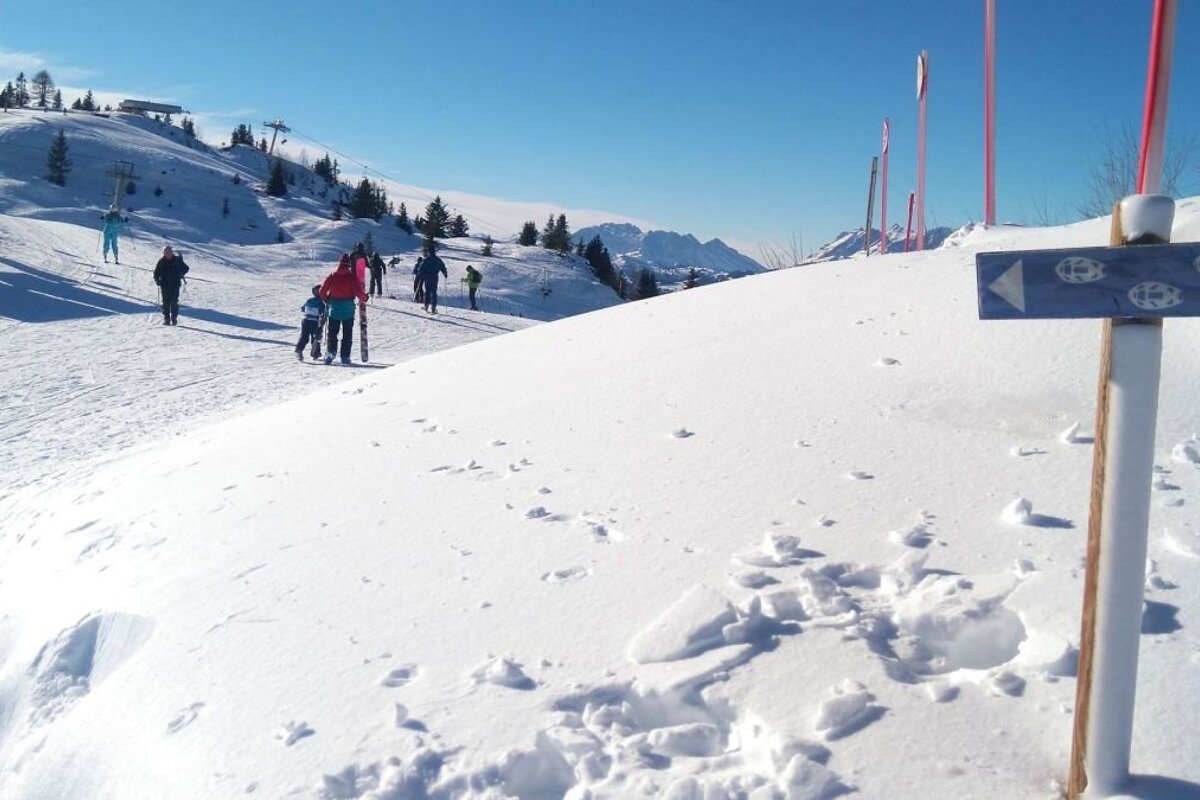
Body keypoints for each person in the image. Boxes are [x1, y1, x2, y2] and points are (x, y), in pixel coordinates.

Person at [318, 254, 367, 364]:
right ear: (349, 264)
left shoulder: (332, 276)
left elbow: (322, 292)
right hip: (348, 310)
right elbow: (359, 293)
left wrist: (327, 300)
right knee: (347, 334)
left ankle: (331, 353)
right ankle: (345, 356)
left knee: (332, 333)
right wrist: (365, 297)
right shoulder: (352, 277)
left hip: (334, 309)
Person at [153, 245, 189, 325]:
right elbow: (156, 273)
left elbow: (186, 268)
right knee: (165, 302)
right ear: (164, 253)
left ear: (172, 252)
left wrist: (181, 272)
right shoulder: (161, 262)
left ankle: (174, 319)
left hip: (175, 284)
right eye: (166, 252)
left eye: (169, 252)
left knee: (174, 302)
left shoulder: (177, 260)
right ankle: (166, 319)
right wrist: (157, 280)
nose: (168, 254)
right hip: (164, 285)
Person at [295, 285, 325, 361]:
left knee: (304, 337)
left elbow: (303, 308)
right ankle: (316, 353)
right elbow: (322, 312)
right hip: (314, 322)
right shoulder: (321, 303)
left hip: (305, 321)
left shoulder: (309, 300)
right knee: (316, 337)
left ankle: (299, 349)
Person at [418, 245, 448, 314]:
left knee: (427, 291)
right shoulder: (438, 260)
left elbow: (421, 268)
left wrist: (421, 275)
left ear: (429, 252)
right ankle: (433, 307)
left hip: (427, 277)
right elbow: (442, 267)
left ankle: (426, 306)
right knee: (434, 292)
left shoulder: (426, 259)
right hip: (435, 276)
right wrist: (445, 274)